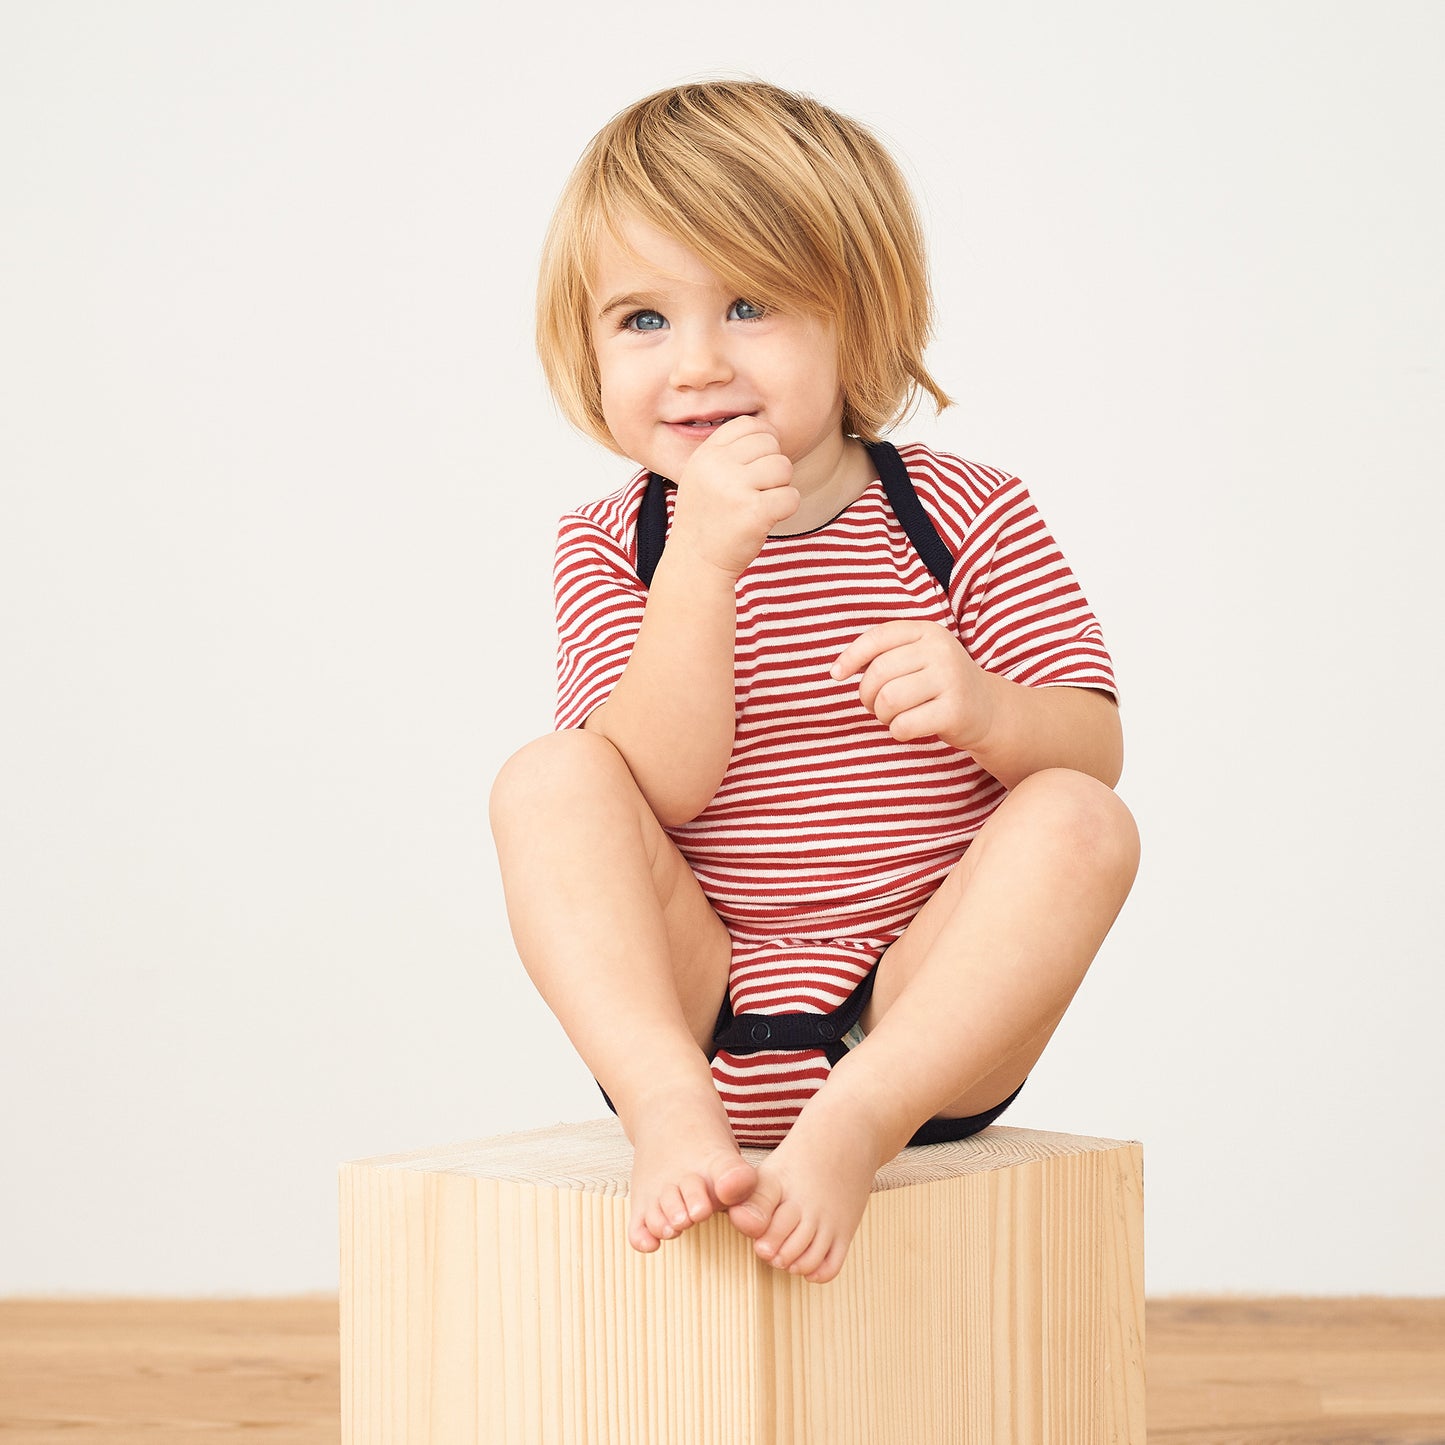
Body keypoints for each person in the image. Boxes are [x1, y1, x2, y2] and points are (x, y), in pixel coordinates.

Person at [488, 79, 1140, 1286]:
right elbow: (662, 786)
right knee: (550, 778)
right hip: (697, 1004)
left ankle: (851, 1125)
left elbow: (1092, 752)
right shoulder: (616, 542)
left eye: (749, 306)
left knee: (1079, 818)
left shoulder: (962, 513)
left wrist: (988, 707)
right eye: (641, 318)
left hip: (919, 1020)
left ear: (859, 320)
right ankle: (665, 1108)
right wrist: (701, 563)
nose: (695, 364)